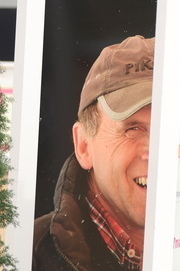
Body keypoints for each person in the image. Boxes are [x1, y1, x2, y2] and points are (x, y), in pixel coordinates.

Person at [33, 34, 155, 270]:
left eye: (169, 130)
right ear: (83, 146)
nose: (155, 153)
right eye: (133, 128)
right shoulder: (27, 257)